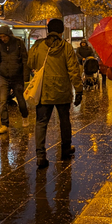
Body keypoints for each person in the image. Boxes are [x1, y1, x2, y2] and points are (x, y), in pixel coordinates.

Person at [27, 19, 83, 169]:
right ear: (61, 32)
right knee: (64, 121)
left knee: (41, 122)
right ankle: (65, 149)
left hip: (43, 91)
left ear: (48, 30)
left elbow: (30, 63)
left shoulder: (38, 45)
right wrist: (78, 90)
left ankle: (40, 156)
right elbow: (73, 70)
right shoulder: (66, 47)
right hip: (62, 91)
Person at [0, 25, 30, 134]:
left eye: (4, 36)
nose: (3, 39)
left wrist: (26, 78)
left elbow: (25, 60)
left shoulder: (19, 43)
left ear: (9, 35)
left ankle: (25, 116)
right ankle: (4, 124)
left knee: (20, 100)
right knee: (3, 101)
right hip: (4, 77)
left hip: (17, 77)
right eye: (1, 37)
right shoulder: (0, 45)